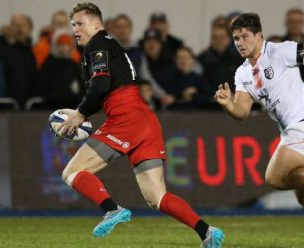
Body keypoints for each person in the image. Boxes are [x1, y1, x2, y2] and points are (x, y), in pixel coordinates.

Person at [57, 3, 224, 247]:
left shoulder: (98, 44)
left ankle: (112, 209)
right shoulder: (109, 44)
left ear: (96, 24)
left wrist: (80, 113)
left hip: (127, 119)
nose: (75, 30)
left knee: (71, 172)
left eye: (80, 24)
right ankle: (206, 231)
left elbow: (101, 86)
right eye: (73, 25)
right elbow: (106, 88)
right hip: (145, 120)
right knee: (157, 198)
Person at [214, 13, 304, 245]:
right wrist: (228, 104)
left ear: (259, 36)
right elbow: (242, 112)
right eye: (236, 38)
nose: (240, 43)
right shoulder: (242, 73)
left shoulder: (278, 51)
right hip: (294, 131)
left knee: (274, 177)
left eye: (245, 36)